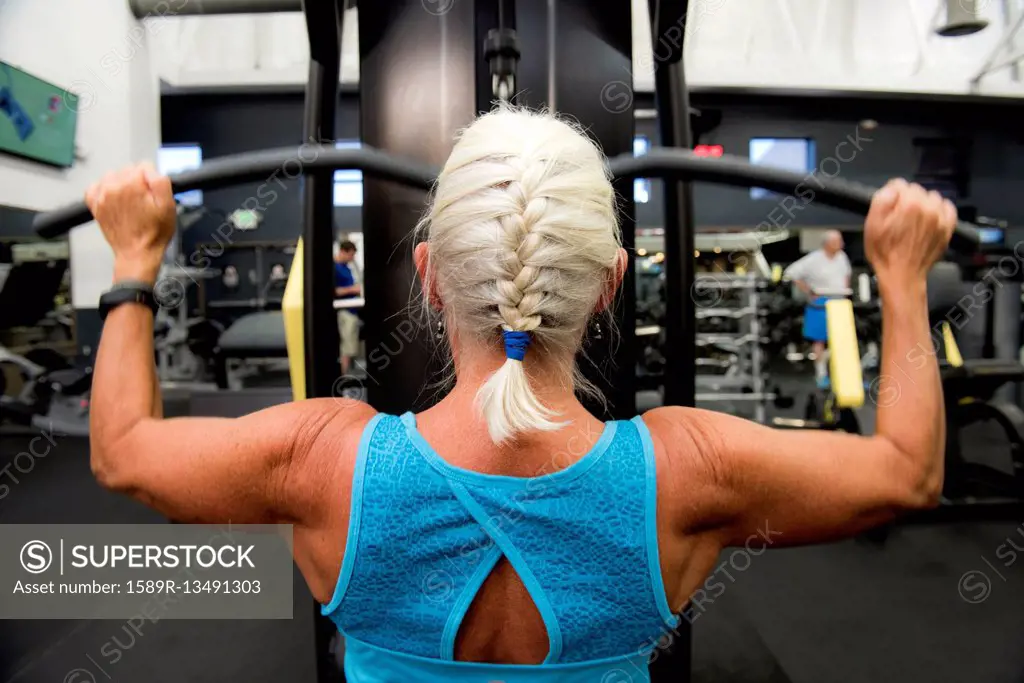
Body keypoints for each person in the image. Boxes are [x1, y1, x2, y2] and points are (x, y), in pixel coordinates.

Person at [84, 108, 954, 683]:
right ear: (612, 284)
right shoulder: (690, 470)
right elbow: (908, 471)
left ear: (427, 277)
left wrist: (133, 262)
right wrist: (903, 278)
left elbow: (122, 448)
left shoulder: (319, 460)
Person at [784, 229, 852, 388]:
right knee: (820, 340)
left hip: (840, 302)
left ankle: (843, 375)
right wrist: (808, 291)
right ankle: (821, 374)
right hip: (820, 302)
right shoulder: (814, 259)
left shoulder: (842, 257)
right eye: (837, 242)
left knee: (842, 340)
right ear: (828, 244)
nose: (841, 245)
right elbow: (791, 273)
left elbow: (846, 275)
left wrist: (846, 290)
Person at [334, 240, 361, 375]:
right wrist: (353, 289)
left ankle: (347, 374)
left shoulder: (346, 268)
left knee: (350, 346)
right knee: (346, 347)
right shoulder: (335, 268)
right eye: (350, 255)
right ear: (343, 252)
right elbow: (335, 291)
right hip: (344, 311)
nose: (352, 258)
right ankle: (343, 376)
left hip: (352, 309)